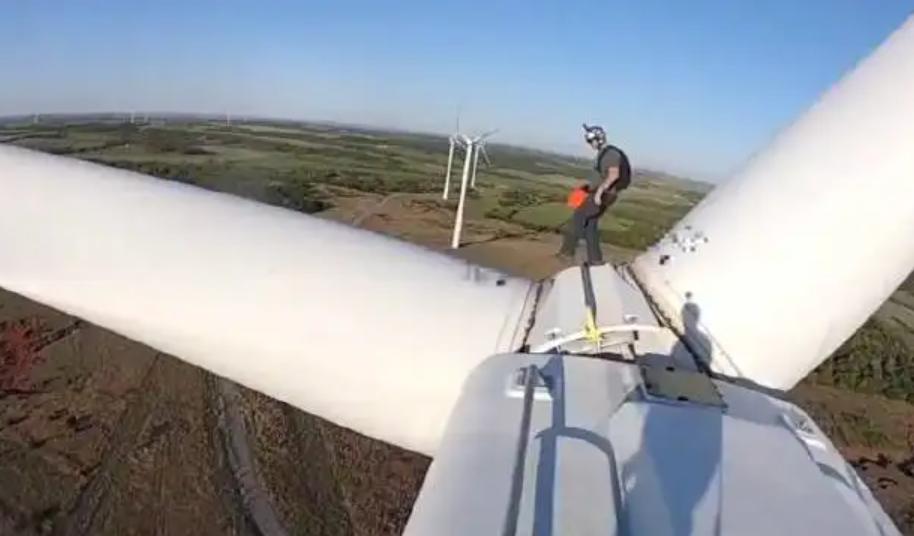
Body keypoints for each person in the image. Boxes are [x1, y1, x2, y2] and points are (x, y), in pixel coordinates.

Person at [558, 123, 631, 264]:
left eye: (592, 140)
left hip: (604, 194)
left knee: (578, 219)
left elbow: (613, 175)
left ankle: (566, 253)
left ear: (600, 138)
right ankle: (595, 260)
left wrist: (599, 192)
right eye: (589, 141)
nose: (590, 143)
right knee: (590, 225)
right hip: (603, 193)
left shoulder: (610, 153)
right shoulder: (606, 153)